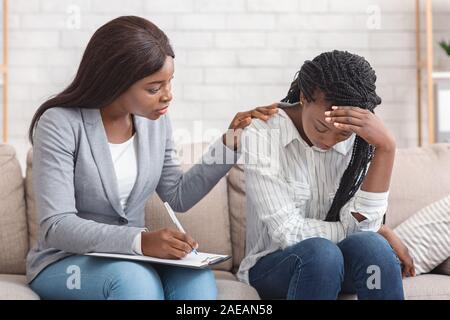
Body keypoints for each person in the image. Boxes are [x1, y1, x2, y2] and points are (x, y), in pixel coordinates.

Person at [26, 16, 277, 300]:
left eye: (169, 83)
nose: (167, 96)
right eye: (154, 88)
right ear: (115, 82)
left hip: (132, 259)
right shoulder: (60, 124)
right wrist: (139, 241)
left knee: (196, 280)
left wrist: (229, 142)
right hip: (66, 261)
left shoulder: (154, 122)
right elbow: (57, 226)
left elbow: (177, 194)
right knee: (134, 282)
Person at [238, 50, 413, 300]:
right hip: (274, 268)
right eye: (321, 127)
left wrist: (386, 149)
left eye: (342, 134)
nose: (329, 141)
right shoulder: (262, 134)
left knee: (373, 247)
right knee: (323, 254)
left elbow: (362, 227)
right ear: (303, 98)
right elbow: (288, 232)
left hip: (341, 265)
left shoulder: (362, 139)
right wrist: (375, 229)